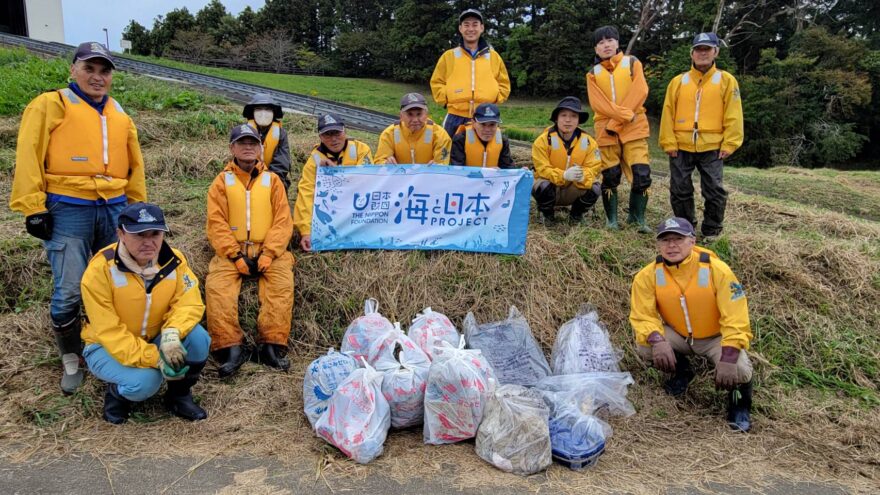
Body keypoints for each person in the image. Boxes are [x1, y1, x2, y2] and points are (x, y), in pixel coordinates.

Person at [9, 41, 147, 394]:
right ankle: (71, 356)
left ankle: (108, 342)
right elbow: (29, 153)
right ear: (73, 70)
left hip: (114, 206)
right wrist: (33, 206)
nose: (97, 77)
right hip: (68, 206)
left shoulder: (119, 113)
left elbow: (135, 165)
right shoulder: (50, 104)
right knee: (69, 286)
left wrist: (137, 207)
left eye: (104, 71)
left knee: (116, 280)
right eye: (89, 69)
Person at [80, 203, 209, 424]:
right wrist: (155, 358)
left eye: (155, 234)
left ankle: (179, 396)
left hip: (154, 336)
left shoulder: (173, 260)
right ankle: (117, 396)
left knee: (199, 339)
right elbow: (108, 330)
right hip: (105, 346)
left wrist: (171, 333)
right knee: (147, 381)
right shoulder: (100, 269)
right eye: (139, 235)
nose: (148, 242)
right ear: (120, 233)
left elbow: (188, 302)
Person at [630, 217, 753, 432]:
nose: (671, 245)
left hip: (715, 337)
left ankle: (739, 405)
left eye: (678, 239)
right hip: (680, 335)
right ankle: (683, 373)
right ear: (658, 245)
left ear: (692, 241)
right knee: (645, 346)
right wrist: (658, 340)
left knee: (740, 370)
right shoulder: (647, 275)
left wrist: (730, 355)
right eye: (665, 240)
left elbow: (736, 316)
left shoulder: (718, 270)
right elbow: (642, 315)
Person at [205, 124, 294, 378]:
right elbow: (216, 222)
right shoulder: (221, 182)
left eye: (252, 143)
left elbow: (282, 221)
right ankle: (230, 347)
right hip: (231, 253)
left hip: (269, 252)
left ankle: (271, 345)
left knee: (281, 287)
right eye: (242, 143)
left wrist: (269, 253)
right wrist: (234, 254)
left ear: (261, 148)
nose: (247, 148)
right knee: (218, 290)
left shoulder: (273, 181)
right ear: (231, 148)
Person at [659, 33, 744, 240]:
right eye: (699, 49)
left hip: (712, 146)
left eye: (707, 49)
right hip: (680, 145)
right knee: (679, 189)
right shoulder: (679, 81)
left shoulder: (726, 80)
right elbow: (667, 113)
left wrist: (730, 143)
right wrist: (668, 141)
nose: (703, 53)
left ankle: (712, 230)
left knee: (714, 190)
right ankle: (685, 228)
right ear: (692, 53)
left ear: (716, 52)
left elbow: (734, 113)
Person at [586, 26, 652, 233]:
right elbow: (599, 105)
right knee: (610, 174)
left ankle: (637, 218)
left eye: (609, 40)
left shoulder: (632, 63)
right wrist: (622, 117)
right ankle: (611, 220)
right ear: (596, 48)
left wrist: (621, 119)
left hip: (635, 127)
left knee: (641, 174)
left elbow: (640, 91)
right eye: (600, 42)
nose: (606, 45)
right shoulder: (592, 74)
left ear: (617, 43)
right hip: (606, 129)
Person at [293, 113, 374, 251]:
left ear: (345, 131)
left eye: (337, 133)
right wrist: (306, 231)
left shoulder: (362, 149)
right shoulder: (314, 160)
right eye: (328, 135)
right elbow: (306, 194)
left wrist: (336, 174)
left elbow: (367, 181)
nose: (334, 139)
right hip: (332, 212)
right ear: (320, 137)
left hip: (359, 208)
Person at [430, 8, 511, 138]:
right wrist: (447, 98)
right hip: (455, 116)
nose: (470, 29)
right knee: (448, 154)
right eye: (466, 25)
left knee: (486, 155)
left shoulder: (494, 57)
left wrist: (494, 99)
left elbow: (504, 83)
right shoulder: (449, 56)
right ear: (460, 28)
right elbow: (436, 82)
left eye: (475, 24)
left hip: (485, 118)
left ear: (482, 28)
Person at [531, 97, 603, 224]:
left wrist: (583, 176)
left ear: (578, 120)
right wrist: (563, 175)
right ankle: (547, 215)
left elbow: (594, 168)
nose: (568, 120)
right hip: (550, 187)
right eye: (563, 115)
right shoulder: (542, 141)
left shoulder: (589, 142)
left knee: (595, 187)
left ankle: (576, 215)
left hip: (574, 188)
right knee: (541, 186)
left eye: (573, 116)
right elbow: (541, 169)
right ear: (556, 118)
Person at [374, 93, 451, 165]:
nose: (415, 120)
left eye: (419, 114)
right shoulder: (389, 134)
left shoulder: (440, 135)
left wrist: (437, 166)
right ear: (401, 116)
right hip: (399, 177)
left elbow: (443, 165)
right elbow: (379, 162)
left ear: (426, 114)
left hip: (428, 177)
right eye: (410, 114)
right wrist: (385, 163)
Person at [243, 93, 292, 190]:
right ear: (252, 112)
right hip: (248, 175)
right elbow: (240, 159)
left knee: (279, 188)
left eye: (268, 110)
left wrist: (268, 180)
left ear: (274, 113)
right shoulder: (243, 131)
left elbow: (282, 162)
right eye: (259, 109)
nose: (263, 113)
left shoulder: (281, 134)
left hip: (274, 177)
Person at [450, 103, 515, 168]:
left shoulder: (502, 140)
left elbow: (508, 168)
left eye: (492, 125)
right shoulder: (460, 139)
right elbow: (457, 170)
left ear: (497, 125)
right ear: (473, 123)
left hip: (493, 178)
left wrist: (519, 172)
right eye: (483, 124)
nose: (487, 129)